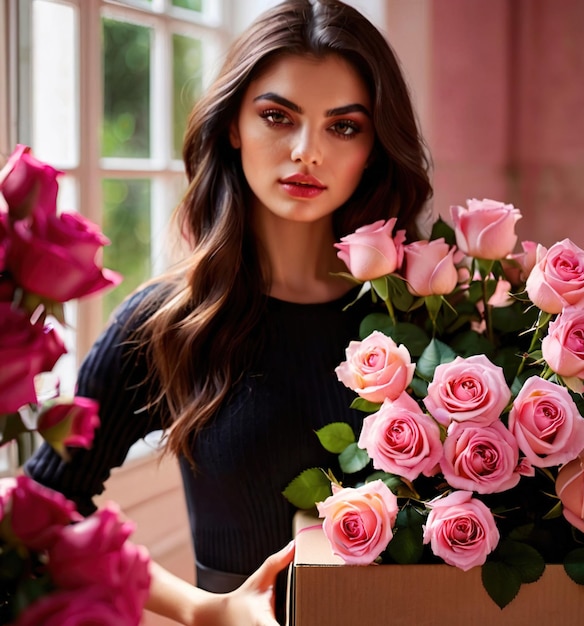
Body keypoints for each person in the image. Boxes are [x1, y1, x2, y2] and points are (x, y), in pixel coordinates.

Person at [25, 0, 433, 623]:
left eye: (343, 126)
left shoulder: (429, 320)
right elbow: (39, 512)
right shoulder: (168, 324)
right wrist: (202, 609)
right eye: (277, 116)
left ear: (376, 146)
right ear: (234, 125)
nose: (306, 151)